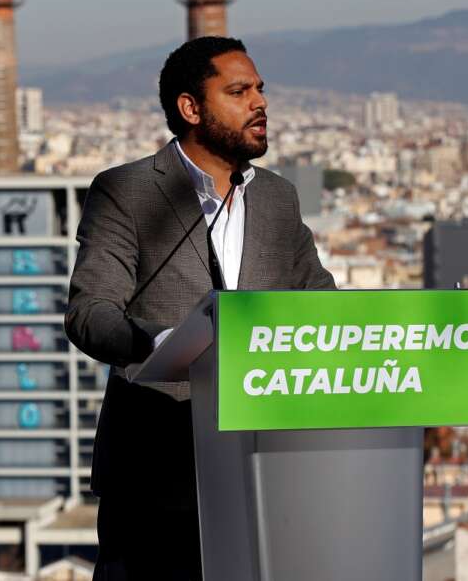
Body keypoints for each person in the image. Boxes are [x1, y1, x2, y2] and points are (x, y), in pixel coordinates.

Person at [65, 36, 335, 580]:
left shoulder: (277, 198)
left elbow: (320, 305)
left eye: (260, 89)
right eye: (238, 91)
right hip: (155, 475)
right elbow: (89, 312)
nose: (260, 102)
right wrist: (165, 345)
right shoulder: (128, 191)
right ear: (191, 108)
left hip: (264, 470)